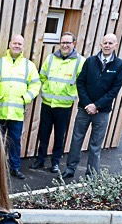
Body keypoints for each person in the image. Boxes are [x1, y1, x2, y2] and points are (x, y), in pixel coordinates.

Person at [62, 33, 122, 181]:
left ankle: (91, 175)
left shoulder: (119, 65)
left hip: (102, 112)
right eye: (105, 43)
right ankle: (70, 169)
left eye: (110, 43)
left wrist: (97, 106)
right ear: (101, 44)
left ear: (115, 45)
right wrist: (87, 104)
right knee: (76, 140)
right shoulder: (90, 61)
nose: (107, 46)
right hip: (84, 109)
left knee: (95, 145)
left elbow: (114, 90)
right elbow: (80, 82)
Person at [32, 31, 84, 174]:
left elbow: (82, 82)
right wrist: (46, 89)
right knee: (43, 134)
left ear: (74, 44)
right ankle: (40, 160)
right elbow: (42, 76)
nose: (65, 45)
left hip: (64, 106)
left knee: (59, 136)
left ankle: (55, 163)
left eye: (68, 42)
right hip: (48, 104)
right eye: (62, 42)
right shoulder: (50, 58)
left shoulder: (80, 61)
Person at [0, 34, 40, 180]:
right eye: (15, 43)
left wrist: (25, 98)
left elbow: (35, 85)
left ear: (23, 47)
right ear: (9, 44)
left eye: (20, 44)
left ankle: (15, 168)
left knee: (15, 142)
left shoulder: (29, 66)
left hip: (16, 112)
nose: (17, 46)